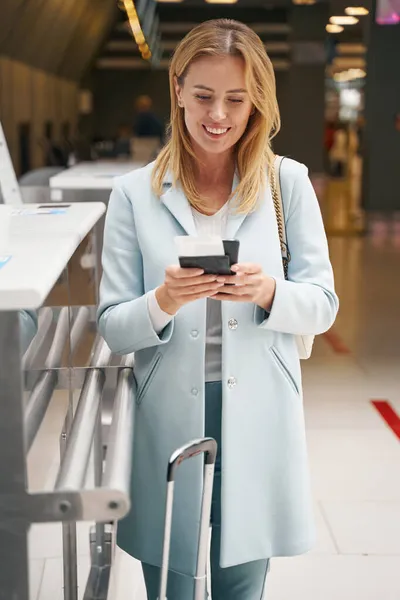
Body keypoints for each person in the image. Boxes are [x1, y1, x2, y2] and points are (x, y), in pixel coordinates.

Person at [97, 18, 339, 600]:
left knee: (241, 585)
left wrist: (268, 293)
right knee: (172, 581)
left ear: (256, 101)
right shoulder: (135, 193)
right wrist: (163, 300)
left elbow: (324, 306)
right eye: (203, 95)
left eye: (236, 99)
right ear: (177, 87)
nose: (218, 116)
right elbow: (112, 326)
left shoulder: (288, 184)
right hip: (169, 413)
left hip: (258, 409)